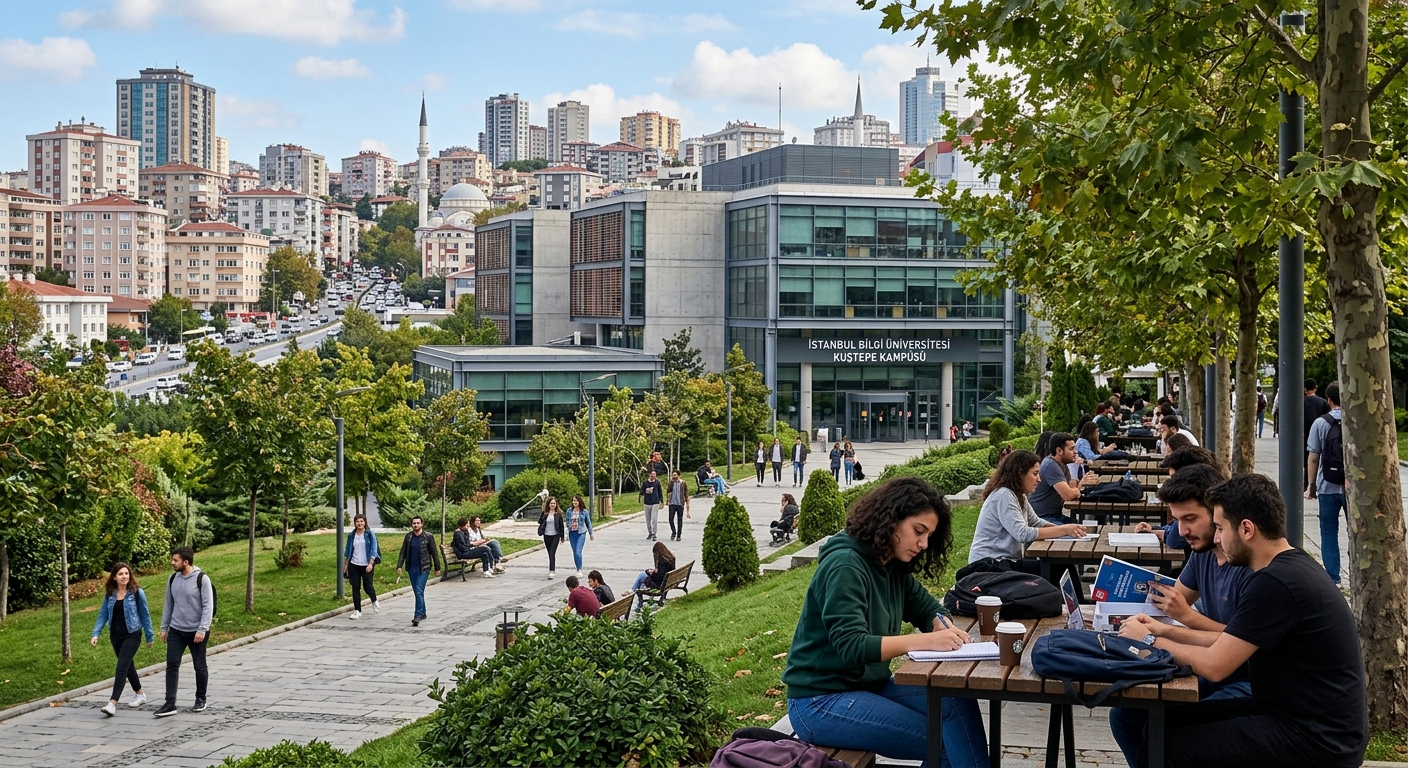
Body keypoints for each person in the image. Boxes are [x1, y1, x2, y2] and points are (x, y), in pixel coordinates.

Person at [1117, 473, 1367, 768]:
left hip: (1317, 738)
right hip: (1289, 714)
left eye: (1221, 528)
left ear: (1247, 529)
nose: (1218, 539)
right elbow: (1227, 642)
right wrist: (1160, 630)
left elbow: (1215, 666)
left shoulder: (1275, 583)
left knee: (1161, 751)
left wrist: (1148, 641)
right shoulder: (1287, 566)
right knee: (1152, 722)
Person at [782, 478, 990, 766]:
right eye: (919, 531)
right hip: (819, 701)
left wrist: (941, 624)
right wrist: (926, 640)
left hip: (868, 686)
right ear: (890, 520)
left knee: (956, 700)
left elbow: (926, 606)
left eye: (929, 535)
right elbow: (851, 646)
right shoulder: (845, 565)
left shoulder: (890, 563)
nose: (924, 543)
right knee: (943, 742)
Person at [1108, 465, 1252, 765]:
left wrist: (1179, 622)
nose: (1182, 531)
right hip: (1209, 666)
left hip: (1247, 678)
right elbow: (1170, 602)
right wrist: (1113, 610)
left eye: (1190, 519)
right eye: (1176, 521)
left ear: (1217, 513)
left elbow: (1239, 642)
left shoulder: (1248, 567)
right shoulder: (1202, 555)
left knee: (1167, 730)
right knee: (1126, 715)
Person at [968, 450, 1088, 564]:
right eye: (1035, 474)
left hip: (1005, 562)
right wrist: (1064, 530)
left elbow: (1035, 521)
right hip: (990, 564)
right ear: (1020, 473)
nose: (1039, 479)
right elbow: (1023, 534)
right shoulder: (1004, 495)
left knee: (1058, 567)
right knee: (1053, 570)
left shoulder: (1018, 494)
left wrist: (1068, 530)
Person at [155, 547, 214, 717]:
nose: (172, 563)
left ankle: (200, 698)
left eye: (175, 560)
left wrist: (202, 629)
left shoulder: (202, 579)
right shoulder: (173, 579)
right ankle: (169, 703)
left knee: (199, 665)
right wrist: (164, 628)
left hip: (197, 631)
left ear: (185, 562)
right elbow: (169, 604)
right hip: (177, 630)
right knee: (172, 664)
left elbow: (207, 607)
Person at [91, 562, 154, 717]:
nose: (124, 576)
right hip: (116, 636)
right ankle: (140, 694)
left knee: (121, 667)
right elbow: (103, 615)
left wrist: (149, 635)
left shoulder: (137, 593)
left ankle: (112, 703)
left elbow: (145, 614)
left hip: (133, 634)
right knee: (128, 665)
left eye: (126, 573)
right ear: (114, 577)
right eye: (120, 574)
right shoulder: (110, 594)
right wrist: (96, 633)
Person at [1306, 381, 1345, 585]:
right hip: (1351, 488)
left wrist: (1311, 486)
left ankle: (1333, 576)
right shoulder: (1355, 420)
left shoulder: (1321, 423)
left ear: (1329, 400)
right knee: (1355, 530)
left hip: (1327, 486)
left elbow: (1313, 457)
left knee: (1329, 530)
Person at [1027, 432, 1098, 525]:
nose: (1075, 452)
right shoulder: (1051, 465)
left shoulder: (1062, 465)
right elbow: (1068, 495)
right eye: (1071, 449)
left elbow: (1069, 488)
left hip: (1054, 515)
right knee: (1076, 533)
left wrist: (1078, 486)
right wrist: (1078, 489)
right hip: (1041, 518)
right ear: (1059, 451)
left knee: (1082, 528)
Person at [396, 516, 441, 627]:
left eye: (418, 523)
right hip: (412, 568)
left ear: (422, 524)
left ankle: (417, 615)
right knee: (417, 592)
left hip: (424, 568)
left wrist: (437, 567)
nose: (416, 525)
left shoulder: (428, 537)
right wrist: (399, 565)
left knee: (419, 591)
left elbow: (434, 552)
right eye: (414, 523)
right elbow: (403, 551)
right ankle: (423, 612)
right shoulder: (409, 537)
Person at [344, 514, 385, 613]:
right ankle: (357, 611)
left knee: (368, 587)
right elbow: (348, 551)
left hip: (367, 564)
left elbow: (373, 550)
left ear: (365, 522)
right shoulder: (351, 535)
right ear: (355, 523)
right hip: (354, 564)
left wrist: (371, 563)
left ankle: (374, 600)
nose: (359, 523)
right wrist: (345, 566)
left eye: (361, 521)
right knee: (355, 587)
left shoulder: (370, 534)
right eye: (357, 521)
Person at [631, 541, 677, 606]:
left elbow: (659, 578)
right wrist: (655, 571)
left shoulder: (662, 562)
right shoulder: (671, 558)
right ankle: (633, 591)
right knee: (642, 576)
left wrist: (651, 573)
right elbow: (663, 573)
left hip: (660, 585)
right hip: (666, 583)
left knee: (642, 576)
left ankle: (633, 593)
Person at [562, 494, 594, 577]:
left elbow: (588, 523)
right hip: (572, 533)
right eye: (573, 501)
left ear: (579, 501)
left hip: (581, 533)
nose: (574, 502)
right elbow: (567, 522)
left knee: (578, 552)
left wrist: (591, 533)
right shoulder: (569, 511)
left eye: (576, 500)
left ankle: (579, 569)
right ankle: (577, 568)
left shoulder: (584, 511)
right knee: (574, 552)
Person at [537, 497, 566, 578]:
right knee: (549, 552)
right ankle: (552, 569)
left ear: (556, 504)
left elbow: (561, 526)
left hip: (555, 535)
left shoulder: (558, 514)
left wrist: (562, 537)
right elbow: (539, 521)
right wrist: (543, 515)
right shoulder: (545, 513)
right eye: (551, 503)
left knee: (552, 553)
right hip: (546, 535)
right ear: (548, 504)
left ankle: (552, 570)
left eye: (554, 503)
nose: (552, 505)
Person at [665, 470, 691, 542]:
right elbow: (668, 491)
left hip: (680, 504)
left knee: (679, 520)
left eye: (675, 475)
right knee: (670, 519)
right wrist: (667, 500)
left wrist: (687, 508)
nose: (673, 476)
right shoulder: (671, 483)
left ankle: (679, 535)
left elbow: (686, 494)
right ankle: (674, 532)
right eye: (673, 475)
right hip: (672, 504)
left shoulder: (683, 483)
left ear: (678, 475)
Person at [640, 470, 664, 541]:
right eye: (652, 474)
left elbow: (660, 492)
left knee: (654, 519)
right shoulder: (645, 483)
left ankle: (654, 533)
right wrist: (645, 491)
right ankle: (650, 533)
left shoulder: (657, 482)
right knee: (648, 519)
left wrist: (661, 501)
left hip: (655, 502)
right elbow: (641, 491)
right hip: (647, 502)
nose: (653, 476)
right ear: (649, 475)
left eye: (654, 474)